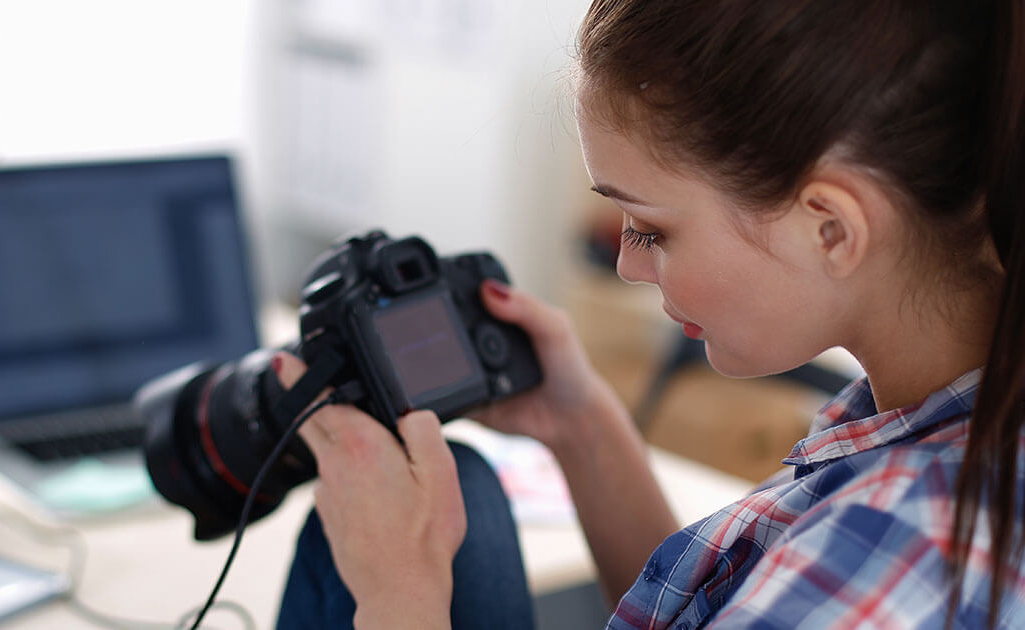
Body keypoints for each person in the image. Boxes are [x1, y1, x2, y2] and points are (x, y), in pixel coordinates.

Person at [272, 0, 1025, 627]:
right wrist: (581, 426)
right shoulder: (937, 413)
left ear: (832, 227)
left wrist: (399, 595)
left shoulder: (895, 551)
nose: (630, 264)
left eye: (652, 230)